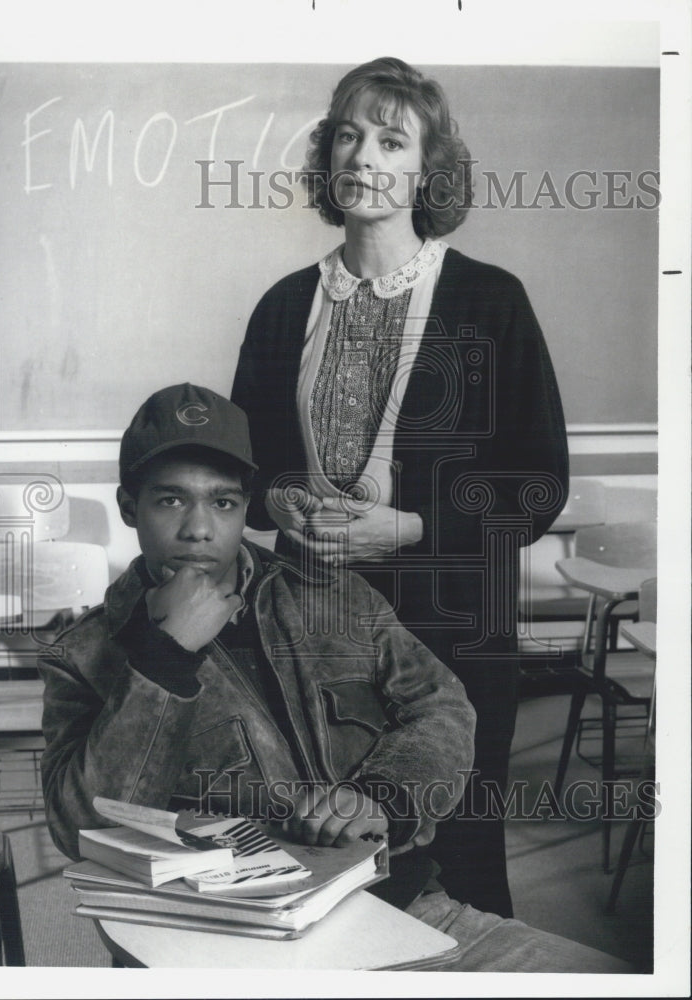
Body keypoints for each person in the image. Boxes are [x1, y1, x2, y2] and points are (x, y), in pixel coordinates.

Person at [38, 384, 627, 973]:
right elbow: (81, 826)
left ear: (247, 508)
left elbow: (443, 706)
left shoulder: (334, 597)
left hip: (402, 910)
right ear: (127, 505)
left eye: (223, 503)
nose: (199, 529)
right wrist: (163, 658)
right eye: (170, 501)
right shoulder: (83, 653)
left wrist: (383, 796)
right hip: (220, 945)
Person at [231, 56, 570, 918]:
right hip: (315, 634)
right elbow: (247, 465)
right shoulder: (282, 308)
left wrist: (410, 527)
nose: (365, 155)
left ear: (428, 169)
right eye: (349, 134)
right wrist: (279, 503)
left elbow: (537, 483)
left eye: (392, 138)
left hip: (453, 633)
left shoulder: (492, 301)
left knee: (458, 870)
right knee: (324, 861)